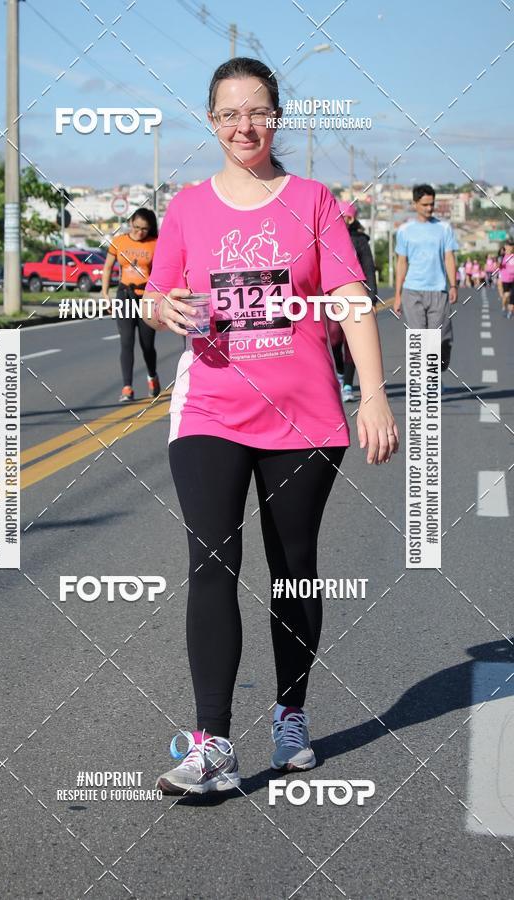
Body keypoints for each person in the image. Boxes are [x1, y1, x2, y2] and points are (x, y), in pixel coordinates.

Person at [141, 57, 399, 796]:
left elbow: (350, 298)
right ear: (212, 122)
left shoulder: (313, 201)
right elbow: (156, 296)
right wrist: (164, 307)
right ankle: (212, 746)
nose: (243, 126)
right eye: (228, 114)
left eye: (256, 112)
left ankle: (290, 714)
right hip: (210, 410)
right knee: (211, 562)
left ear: (276, 117)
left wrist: (374, 395)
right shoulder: (188, 207)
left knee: (293, 567)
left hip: (303, 416)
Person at [394, 184, 458, 386]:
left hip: (438, 290)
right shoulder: (405, 230)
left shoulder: (444, 228)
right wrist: (397, 294)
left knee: (439, 340)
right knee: (419, 339)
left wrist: (453, 285)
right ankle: (427, 382)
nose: (430, 208)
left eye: (432, 204)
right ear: (415, 204)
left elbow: (449, 257)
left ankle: (437, 367)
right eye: (425, 204)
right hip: (412, 291)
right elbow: (401, 262)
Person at [101, 208, 160, 402]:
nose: (139, 232)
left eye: (144, 229)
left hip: (147, 298)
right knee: (126, 342)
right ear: (130, 223)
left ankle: (152, 376)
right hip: (124, 295)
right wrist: (105, 294)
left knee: (147, 345)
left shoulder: (155, 243)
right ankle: (127, 387)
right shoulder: (119, 241)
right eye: (136, 227)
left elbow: (162, 272)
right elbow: (107, 268)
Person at [327, 201, 378, 402]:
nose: (343, 220)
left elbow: (369, 269)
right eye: (340, 216)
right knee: (334, 338)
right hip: (332, 297)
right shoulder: (327, 238)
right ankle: (340, 372)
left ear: (352, 219)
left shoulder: (360, 241)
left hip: (357, 297)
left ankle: (347, 385)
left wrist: (371, 300)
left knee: (352, 342)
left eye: (346, 217)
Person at [499, 240, 514, 318]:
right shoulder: (503, 256)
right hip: (506, 279)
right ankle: (504, 306)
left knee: (512, 295)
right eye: (509, 245)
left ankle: (510, 311)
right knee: (507, 295)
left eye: (511, 245)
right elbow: (498, 266)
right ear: (505, 246)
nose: (510, 247)